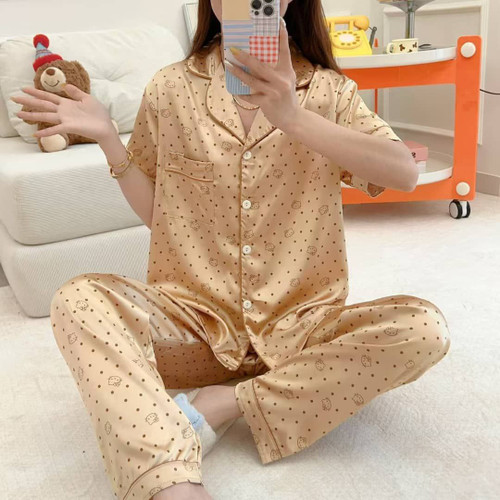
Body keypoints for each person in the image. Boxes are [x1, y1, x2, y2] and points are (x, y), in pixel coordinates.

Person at [13, 1, 451, 499]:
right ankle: (173, 485)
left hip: (301, 333)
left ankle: (225, 404)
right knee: (77, 300)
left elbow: (403, 172)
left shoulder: (329, 92)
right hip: (194, 330)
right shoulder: (170, 88)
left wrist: (292, 117)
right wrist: (110, 139)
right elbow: (161, 217)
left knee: (422, 329)